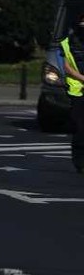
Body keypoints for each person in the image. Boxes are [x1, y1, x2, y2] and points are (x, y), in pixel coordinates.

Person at [59, 13, 84, 173]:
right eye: (82, 21)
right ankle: (80, 162)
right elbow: (67, 66)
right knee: (80, 128)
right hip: (77, 91)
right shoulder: (67, 42)